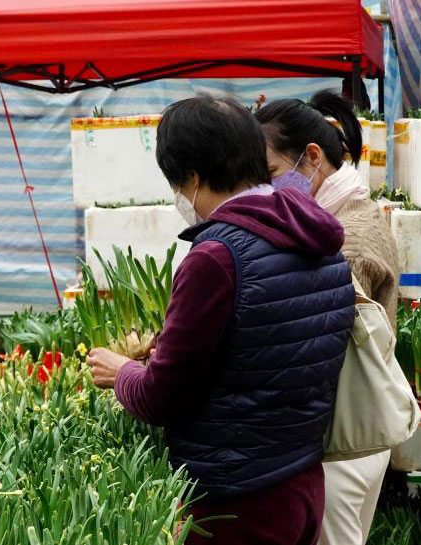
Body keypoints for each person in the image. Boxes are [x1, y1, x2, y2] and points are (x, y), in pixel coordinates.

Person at [87, 96, 356, 544]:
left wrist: (123, 373)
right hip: (303, 484)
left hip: (235, 503)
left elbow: (160, 398)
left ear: (191, 177)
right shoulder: (321, 239)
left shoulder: (216, 258)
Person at [256, 90, 401, 545]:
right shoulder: (350, 214)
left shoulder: (347, 235)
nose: (266, 189)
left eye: (272, 175)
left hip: (342, 440)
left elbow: (314, 329)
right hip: (356, 435)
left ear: (312, 158)